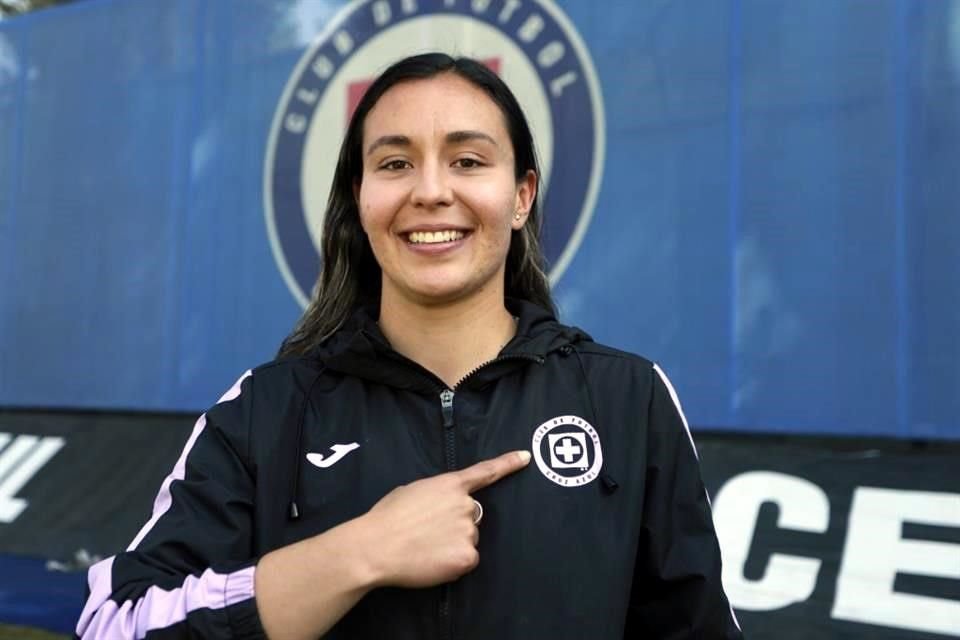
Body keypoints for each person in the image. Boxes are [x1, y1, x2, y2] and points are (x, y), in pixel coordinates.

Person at [76, 52, 743, 640]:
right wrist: (358, 553)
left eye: (468, 161)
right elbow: (114, 624)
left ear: (521, 196)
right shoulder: (265, 412)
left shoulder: (628, 399)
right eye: (395, 163)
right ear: (360, 199)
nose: (430, 191)